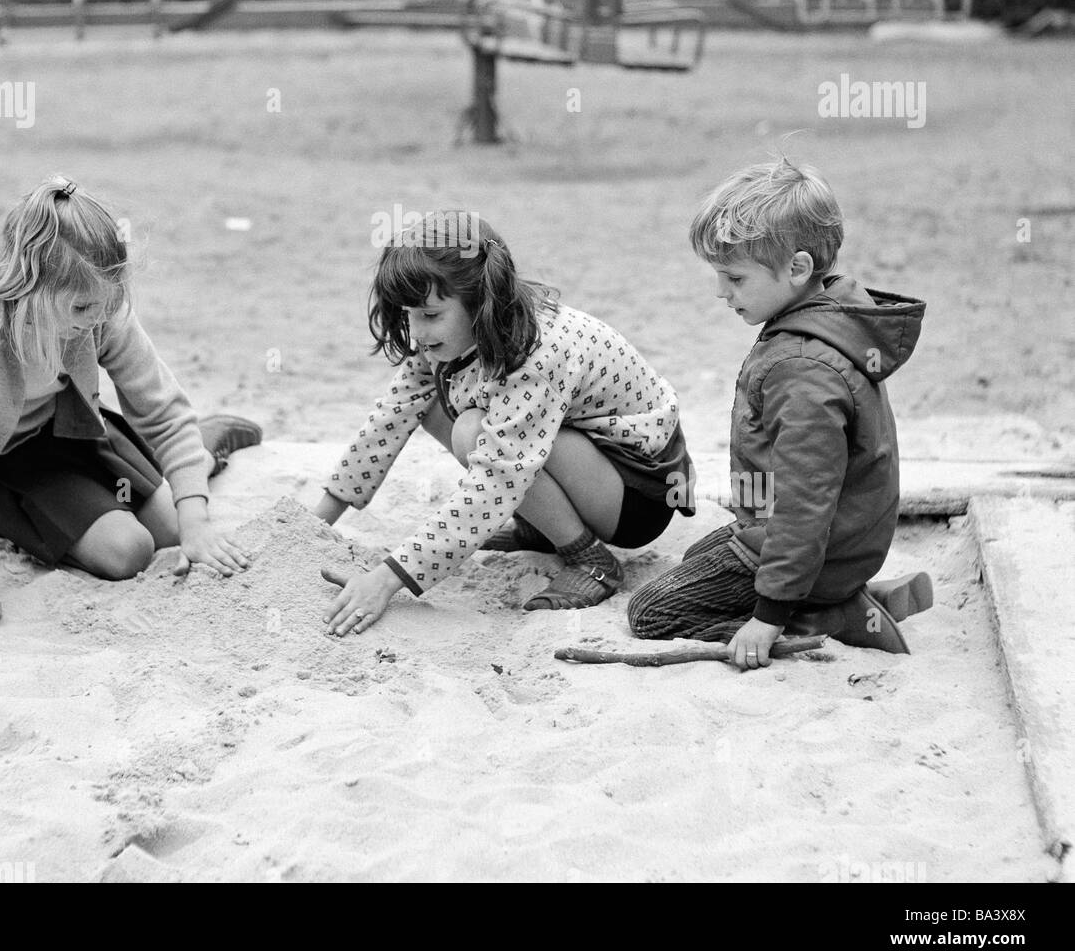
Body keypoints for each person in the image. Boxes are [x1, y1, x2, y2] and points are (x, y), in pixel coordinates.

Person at [314, 210, 693, 635]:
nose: (416, 332)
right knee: (437, 408)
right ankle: (540, 529)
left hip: (638, 494)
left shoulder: (537, 352)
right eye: (408, 315)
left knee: (475, 432)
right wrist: (313, 525)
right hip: (586, 458)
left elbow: (496, 480)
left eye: (430, 315)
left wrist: (384, 581)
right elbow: (389, 418)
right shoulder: (453, 335)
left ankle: (591, 560)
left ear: (480, 302)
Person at [0, 176, 261, 638]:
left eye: (105, 305)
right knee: (128, 551)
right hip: (1, 458)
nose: (97, 319)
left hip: (72, 427)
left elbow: (159, 407)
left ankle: (204, 445)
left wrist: (198, 527)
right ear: (31, 286)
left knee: (178, 528)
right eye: (82, 310)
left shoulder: (97, 295)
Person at [627, 157, 933, 669]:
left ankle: (825, 618)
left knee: (652, 612)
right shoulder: (830, 313)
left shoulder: (803, 370)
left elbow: (804, 505)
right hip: (833, 540)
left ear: (797, 269)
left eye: (734, 278)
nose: (721, 292)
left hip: (816, 543)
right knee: (695, 561)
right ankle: (845, 597)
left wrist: (768, 616)